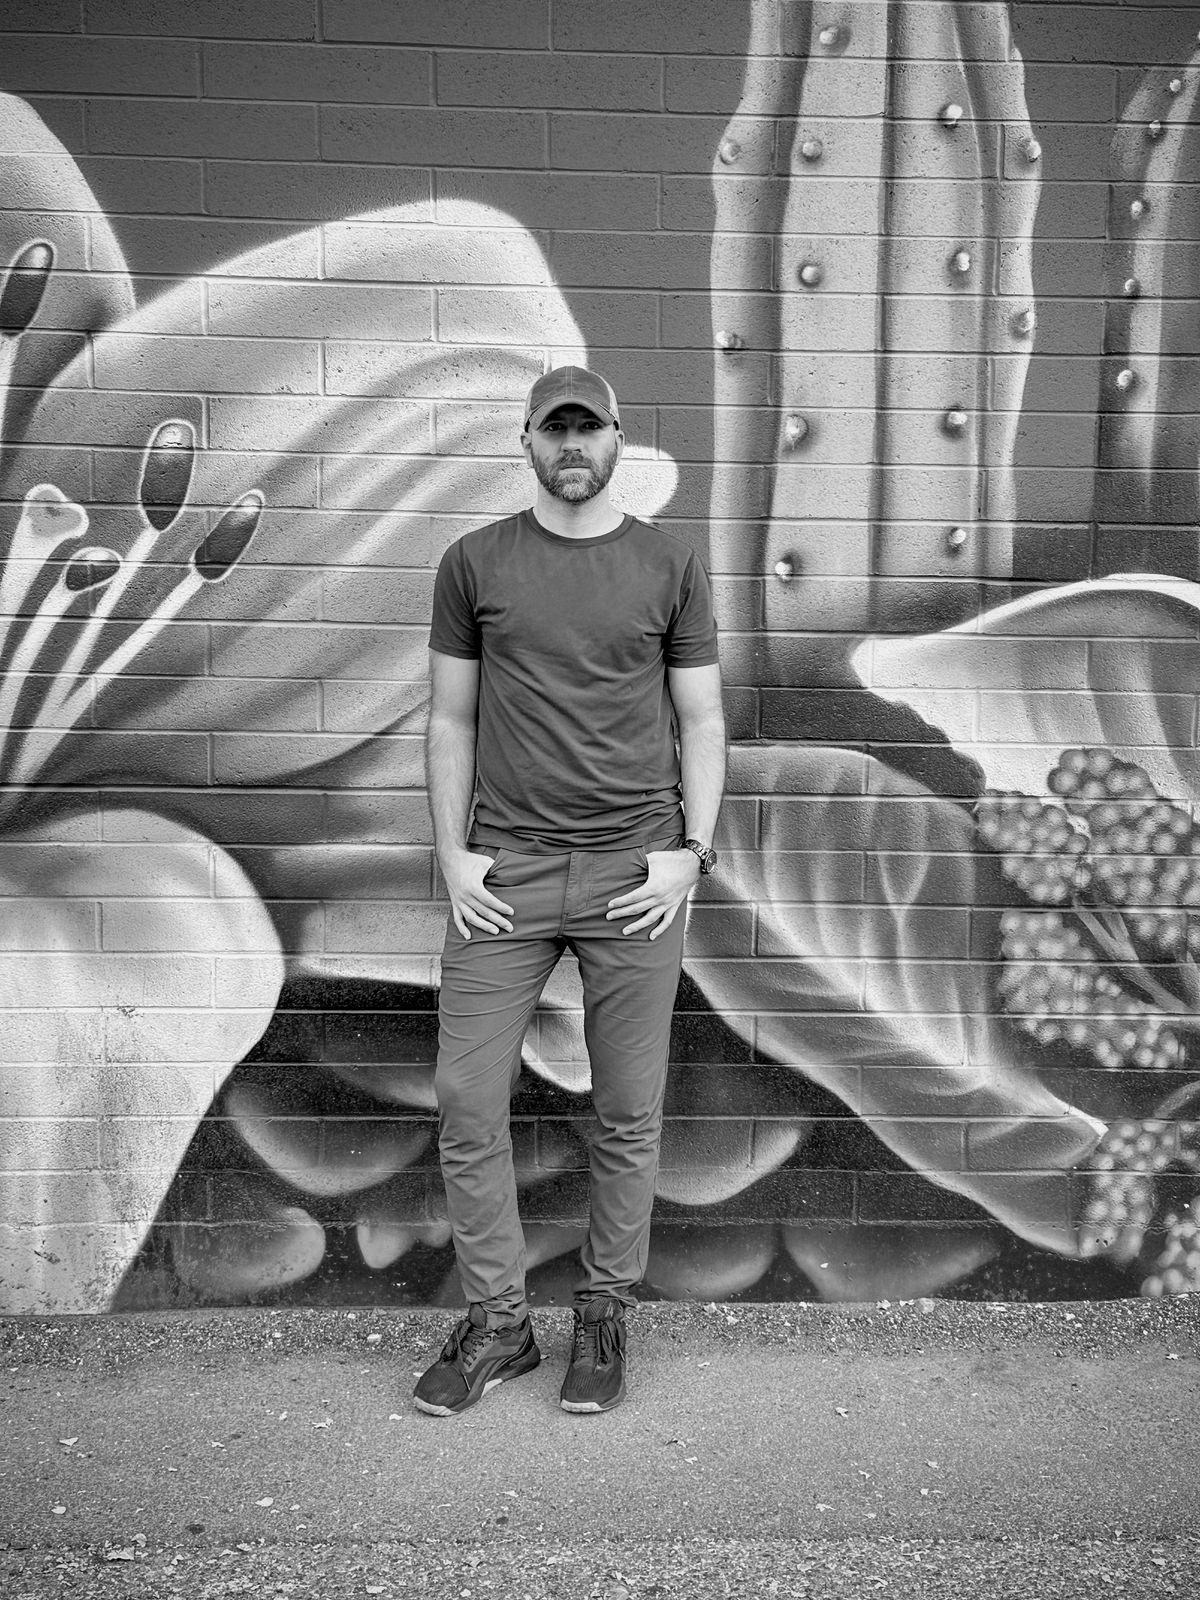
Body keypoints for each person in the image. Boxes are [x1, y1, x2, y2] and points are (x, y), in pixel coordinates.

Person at [414, 364, 726, 1417]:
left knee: (628, 1107)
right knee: (467, 1097)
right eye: (556, 429)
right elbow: (450, 719)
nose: (573, 446)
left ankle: (602, 1312)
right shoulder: (474, 563)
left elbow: (703, 720)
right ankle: (501, 1325)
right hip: (504, 874)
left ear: (617, 438)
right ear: (529, 442)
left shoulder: (668, 563)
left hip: (635, 874)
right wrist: (452, 854)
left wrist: (691, 852)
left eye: (589, 428)